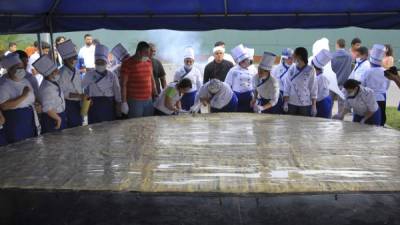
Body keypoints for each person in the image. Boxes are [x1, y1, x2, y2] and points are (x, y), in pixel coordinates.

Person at [0, 53, 37, 144]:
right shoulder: (4, 84)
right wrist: (23, 96)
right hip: (15, 120)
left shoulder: (25, 81)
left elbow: (32, 97)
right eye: (18, 68)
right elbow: (4, 106)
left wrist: (37, 104)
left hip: (29, 117)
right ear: (10, 69)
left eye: (22, 67)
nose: (22, 70)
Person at [82, 44, 122, 124]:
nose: (100, 64)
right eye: (98, 62)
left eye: (102, 62)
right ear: (94, 62)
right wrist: (85, 104)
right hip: (94, 105)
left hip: (109, 104)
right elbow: (83, 90)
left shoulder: (112, 75)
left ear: (106, 62)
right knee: (95, 128)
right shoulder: (89, 75)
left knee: (110, 129)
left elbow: (117, 91)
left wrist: (118, 106)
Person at [120, 41, 157, 118]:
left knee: (148, 123)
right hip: (134, 101)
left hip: (149, 100)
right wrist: (124, 102)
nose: (148, 55)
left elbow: (152, 79)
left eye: (148, 52)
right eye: (146, 53)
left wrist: (155, 94)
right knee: (135, 125)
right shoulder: (127, 63)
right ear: (138, 52)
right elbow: (123, 84)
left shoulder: (149, 62)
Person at [33, 55, 67, 133]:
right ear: (50, 74)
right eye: (56, 71)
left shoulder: (53, 83)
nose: (58, 72)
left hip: (59, 115)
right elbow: (47, 108)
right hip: (52, 118)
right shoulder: (46, 88)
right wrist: (58, 119)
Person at [283, 47, 318, 117]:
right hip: (292, 102)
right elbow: (287, 86)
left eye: (294, 54)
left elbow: (313, 88)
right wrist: (286, 102)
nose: (292, 56)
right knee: (290, 125)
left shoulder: (311, 70)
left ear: (299, 56)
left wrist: (314, 106)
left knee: (304, 125)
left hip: (305, 104)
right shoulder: (292, 69)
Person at [57, 40, 84, 128]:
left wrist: (82, 97)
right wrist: (79, 96)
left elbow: (80, 86)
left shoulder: (76, 70)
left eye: (75, 57)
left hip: (78, 103)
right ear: (66, 60)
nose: (75, 59)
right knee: (72, 128)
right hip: (68, 105)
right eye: (73, 57)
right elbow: (63, 93)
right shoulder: (62, 73)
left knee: (79, 126)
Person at [362, 44, 390, 126]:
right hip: (381, 98)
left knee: (369, 119)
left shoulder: (367, 72)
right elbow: (387, 86)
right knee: (381, 118)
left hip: (369, 97)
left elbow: (363, 85)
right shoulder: (385, 72)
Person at [224, 44, 255, 112]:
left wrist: (254, 98)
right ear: (239, 62)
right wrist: (230, 97)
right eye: (243, 61)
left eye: (246, 60)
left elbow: (256, 84)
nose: (245, 62)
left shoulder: (253, 70)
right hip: (236, 96)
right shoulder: (233, 70)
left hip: (249, 96)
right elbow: (227, 84)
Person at [331, 39, 352, 112]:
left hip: (332, 84)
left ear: (337, 44)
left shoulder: (332, 56)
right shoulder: (349, 56)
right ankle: (340, 121)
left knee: (329, 105)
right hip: (344, 84)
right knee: (342, 106)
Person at [311, 49, 333, 118]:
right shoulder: (321, 75)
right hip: (326, 100)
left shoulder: (320, 78)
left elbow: (317, 94)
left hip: (322, 102)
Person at [271, 48, 294, 114]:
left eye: (292, 58)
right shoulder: (276, 68)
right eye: (289, 58)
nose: (291, 60)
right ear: (284, 58)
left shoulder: (295, 68)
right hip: (279, 95)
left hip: (291, 95)